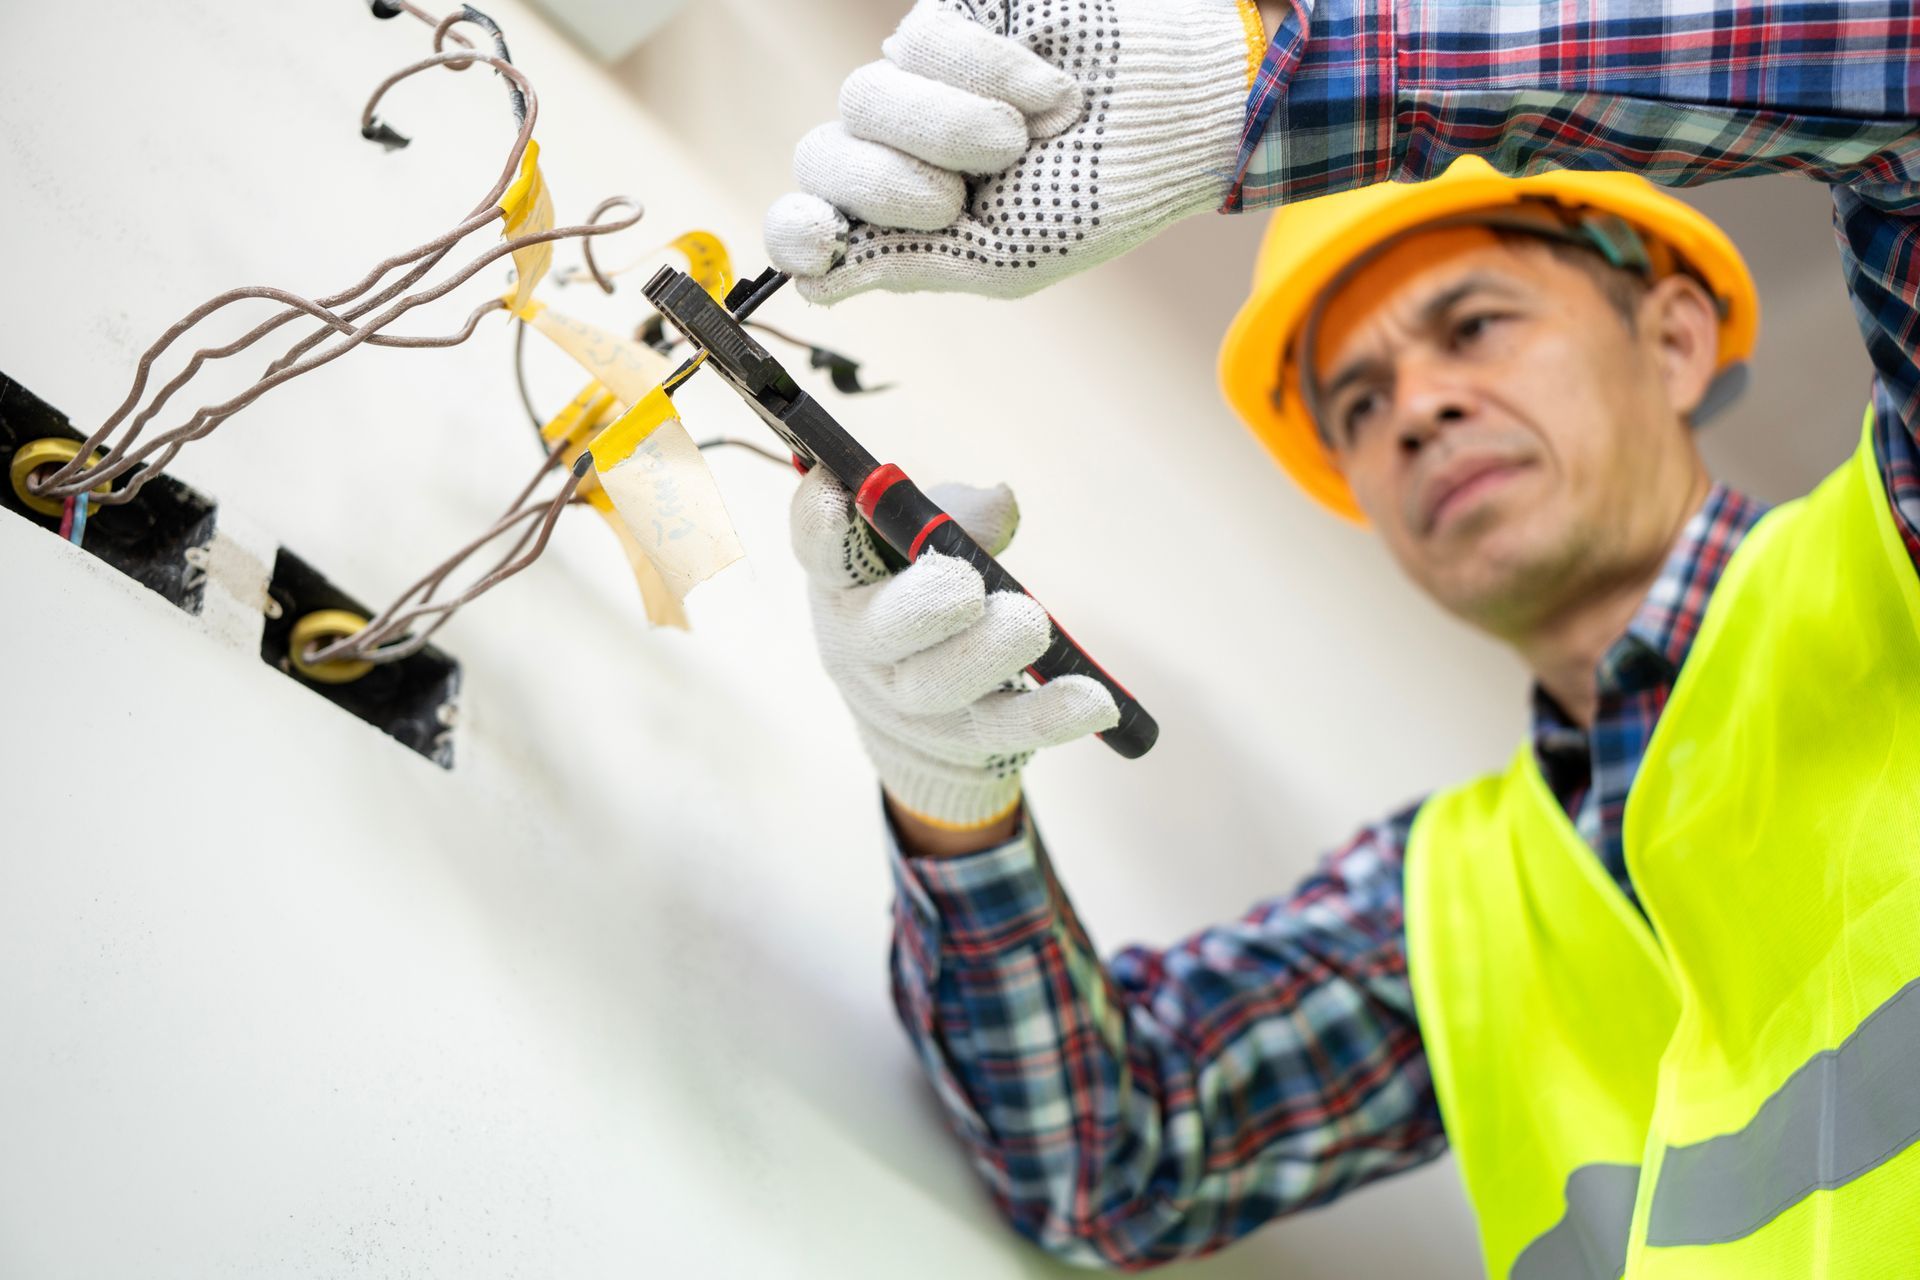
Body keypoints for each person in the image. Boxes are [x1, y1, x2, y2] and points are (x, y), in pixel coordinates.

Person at [765, 0, 1920, 1273]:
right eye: (1359, 400)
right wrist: (945, 789)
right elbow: (1109, 1158)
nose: (1416, 408)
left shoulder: (1898, 554)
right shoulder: (1462, 897)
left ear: (1676, 336)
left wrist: (1289, 84)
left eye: (1475, 326)